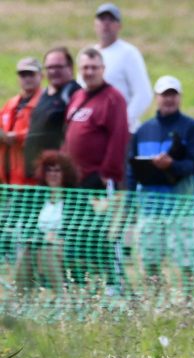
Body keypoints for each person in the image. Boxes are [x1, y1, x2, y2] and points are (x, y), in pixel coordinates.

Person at [126, 75, 194, 293]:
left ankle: (189, 304)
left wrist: (171, 165)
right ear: (156, 97)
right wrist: (129, 206)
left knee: (186, 263)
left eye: (173, 94)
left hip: (182, 209)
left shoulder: (192, 128)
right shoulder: (142, 131)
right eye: (164, 95)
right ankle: (155, 302)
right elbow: (132, 171)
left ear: (179, 97)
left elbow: (193, 164)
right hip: (150, 209)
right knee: (150, 261)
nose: (169, 99)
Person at [63, 47, 129, 294]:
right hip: (74, 181)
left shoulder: (113, 99)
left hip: (98, 181)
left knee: (102, 234)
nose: (89, 72)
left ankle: (113, 284)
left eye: (94, 67)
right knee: (74, 234)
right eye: (85, 68)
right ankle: (80, 285)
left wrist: (107, 174)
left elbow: (118, 137)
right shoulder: (77, 97)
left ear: (103, 69)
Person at [14, 151, 78, 299]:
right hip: (40, 247)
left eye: (57, 170)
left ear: (65, 173)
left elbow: (83, 231)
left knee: (46, 253)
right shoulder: (37, 199)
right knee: (28, 253)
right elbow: (29, 228)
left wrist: (61, 239)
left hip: (68, 250)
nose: (52, 174)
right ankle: (21, 301)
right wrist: (43, 238)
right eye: (49, 170)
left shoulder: (75, 199)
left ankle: (64, 299)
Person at [92, 3, 152, 133]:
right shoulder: (88, 55)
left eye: (111, 20)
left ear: (119, 26)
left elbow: (143, 94)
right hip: (94, 130)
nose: (106, 23)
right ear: (95, 24)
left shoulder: (129, 53)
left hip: (122, 132)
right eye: (102, 19)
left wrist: (122, 122)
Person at [23, 47, 81, 178]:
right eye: (49, 67)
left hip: (57, 174)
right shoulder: (43, 94)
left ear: (70, 68)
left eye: (58, 67)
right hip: (37, 172)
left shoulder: (74, 93)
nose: (53, 71)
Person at [1, 58, 44, 186]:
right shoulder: (11, 104)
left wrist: (15, 136)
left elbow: (43, 132)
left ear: (41, 76)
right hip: (7, 176)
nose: (27, 78)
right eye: (23, 75)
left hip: (32, 178)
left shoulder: (45, 102)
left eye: (31, 74)